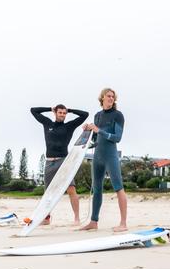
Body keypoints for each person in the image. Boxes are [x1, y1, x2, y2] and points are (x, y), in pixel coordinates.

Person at [31, 104, 88, 225]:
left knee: (71, 189)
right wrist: (49, 108)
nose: (62, 115)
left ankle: (77, 218)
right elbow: (34, 110)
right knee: (48, 192)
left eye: (64, 113)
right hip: (49, 162)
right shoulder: (47, 124)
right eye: (60, 112)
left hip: (63, 161)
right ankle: (46, 218)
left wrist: (70, 110)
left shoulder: (69, 126)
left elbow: (85, 114)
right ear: (55, 113)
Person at [80, 88, 128, 232]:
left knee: (118, 186)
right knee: (97, 188)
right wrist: (87, 131)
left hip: (110, 156)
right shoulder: (97, 116)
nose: (111, 98)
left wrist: (98, 130)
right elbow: (96, 140)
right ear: (102, 98)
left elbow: (117, 138)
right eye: (108, 96)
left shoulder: (118, 115)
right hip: (98, 157)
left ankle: (123, 223)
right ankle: (93, 222)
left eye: (113, 97)